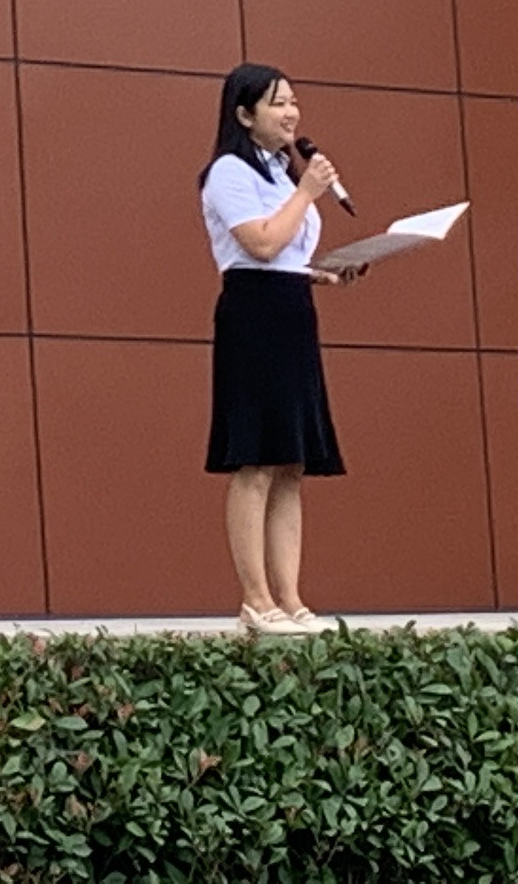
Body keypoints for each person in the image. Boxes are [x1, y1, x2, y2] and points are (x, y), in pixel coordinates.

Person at [200, 61, 344, 634]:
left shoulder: (284, 176)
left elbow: (286, 253)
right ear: (244, 114)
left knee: (290, 462)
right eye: (277, 103)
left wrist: (323, 271)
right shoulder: (228, 172)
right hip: (253, 314)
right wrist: (308, 192)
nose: (291, 113)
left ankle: (290, 599)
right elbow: (260, 245)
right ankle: (255, 600)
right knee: (256, 459)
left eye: (293, 102)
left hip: (292, 311)